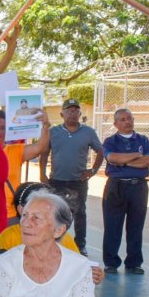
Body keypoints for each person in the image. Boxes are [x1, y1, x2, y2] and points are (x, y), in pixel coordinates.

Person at [38, 98, 102, 253]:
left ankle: (80, 245)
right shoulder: (53, 132)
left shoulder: (88, 132)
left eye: (75, 111)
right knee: (55, 212)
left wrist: (93, 171)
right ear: (62, 114)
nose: (72, 113)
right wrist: (42, 174)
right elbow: (44, 153)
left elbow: (101, 151)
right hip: (56, 181)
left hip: (78, 181)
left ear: (80, 114)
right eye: (69, 111)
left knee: (79, 212)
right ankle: (54, 242)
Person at [101, 108, 149, 274]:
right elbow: (112, 158)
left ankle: (134, 263)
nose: (127, 122)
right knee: (112, 225)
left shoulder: (143, 140)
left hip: (139, 188)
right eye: (123, 119)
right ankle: (111, 263)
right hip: (116, 187)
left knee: (136, 226)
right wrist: (137, 156)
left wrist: (123, 162)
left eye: (130, 119)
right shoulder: (110, 141)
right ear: (115, 123)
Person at [0, 109, 50, 221]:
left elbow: (40, 147)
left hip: (10, 215)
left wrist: (45, 126)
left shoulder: (15, 150)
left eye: (2, 128)